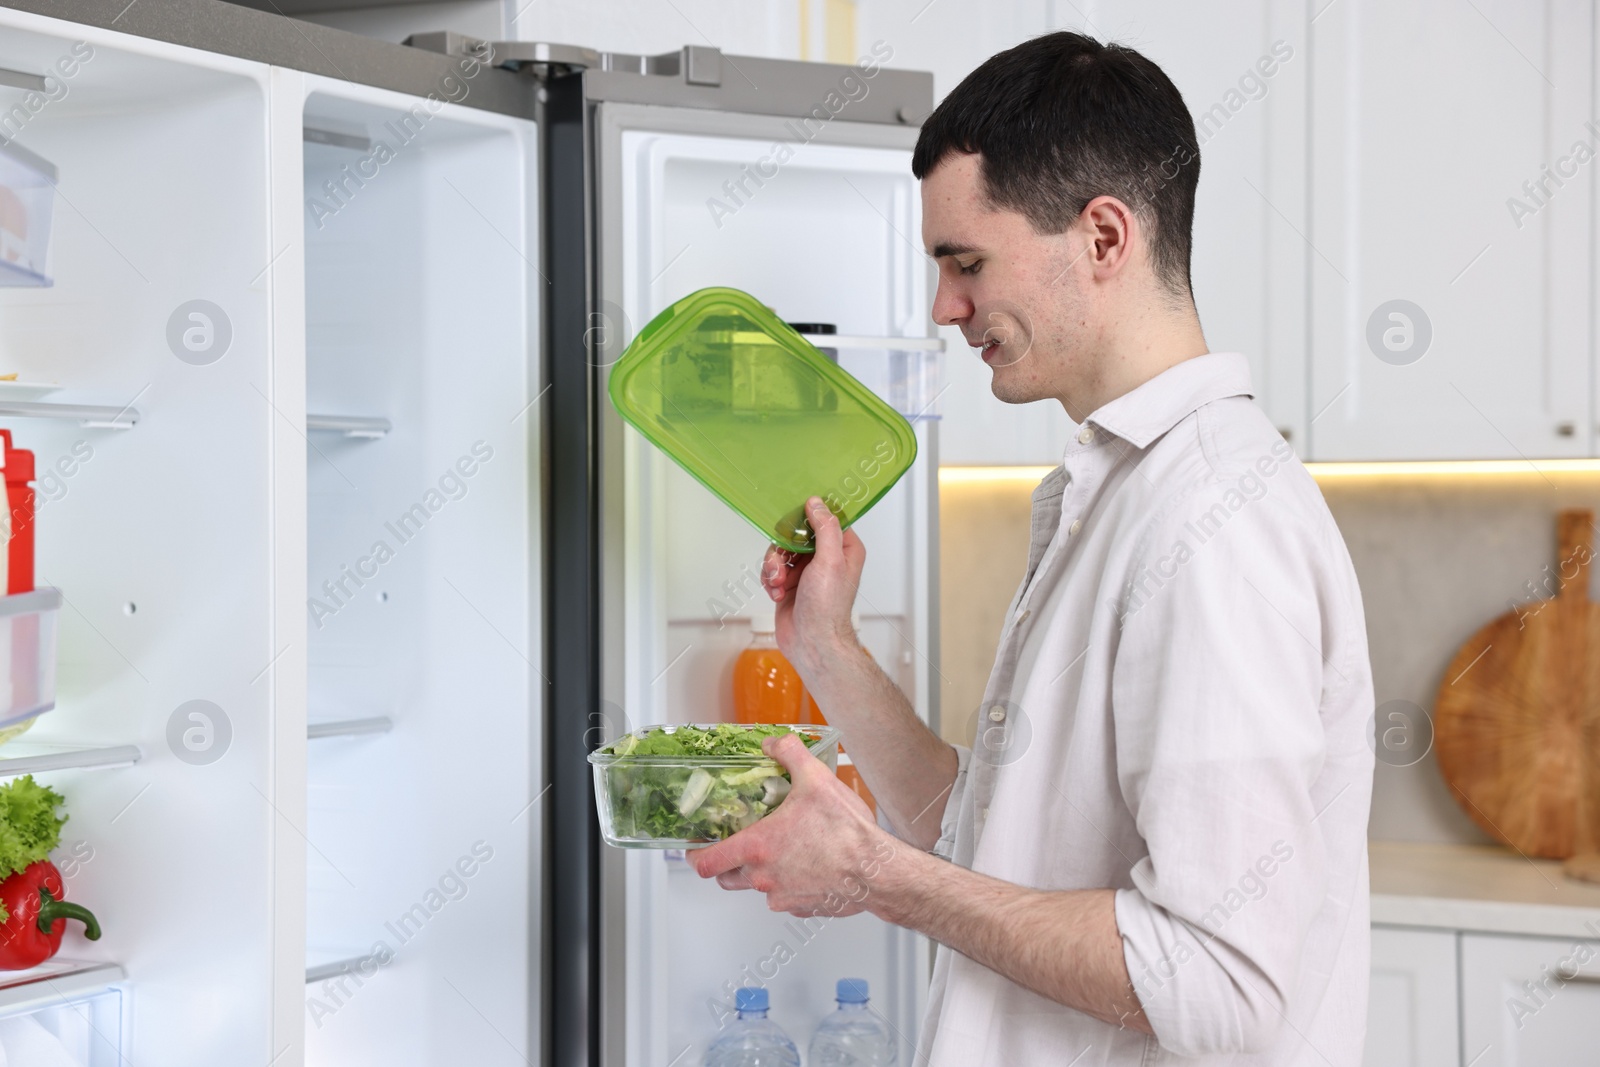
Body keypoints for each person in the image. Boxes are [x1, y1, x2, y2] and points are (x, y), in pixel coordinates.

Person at [689, 30, 1374, 1067]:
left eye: (966, 262)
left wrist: (875, 875)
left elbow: (1220, 982)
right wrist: (827, 649)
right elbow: (989, 839)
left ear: (1104, 237)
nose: (943, 307)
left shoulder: (1215, 524)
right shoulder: (1114, 490)